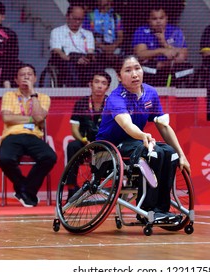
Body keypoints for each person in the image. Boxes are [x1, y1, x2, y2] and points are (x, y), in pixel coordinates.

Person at [96, 55, 191, 221]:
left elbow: (163, 126)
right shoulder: (115, 98)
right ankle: (147, 210)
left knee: (169, 153)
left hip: (136, 144)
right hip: (110, 148)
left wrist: (182, 155)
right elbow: (126, 125)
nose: (134, 74)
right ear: (119, 76)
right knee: (152, 153)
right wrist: (143, 135)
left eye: (137, 68)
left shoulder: (150, 93)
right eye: (128, 70)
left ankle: (162, 210)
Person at [0, 63, 57, 207]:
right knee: (5, 159)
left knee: (49, 157)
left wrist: (32, 93)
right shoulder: (9, 96)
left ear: (35, 78)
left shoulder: (43, 97)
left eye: (29, 74)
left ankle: (25, 190)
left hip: (33, 136)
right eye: (22, 75)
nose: (26, 77)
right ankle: (25, 189)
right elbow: (7, 118)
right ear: (16, 80)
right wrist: (30, 119)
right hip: (12, 135)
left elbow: (39, 118)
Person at [65, 71, 111, 199]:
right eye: (96, 82)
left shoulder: (112, 103)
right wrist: (85, 141)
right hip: (85, 142)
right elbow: (74, 130)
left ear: (107, 87)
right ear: (90, 84)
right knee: (72, 146)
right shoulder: (81, 103)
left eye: (103, 83)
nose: (99, 86)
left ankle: (111, 187)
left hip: (105, 144)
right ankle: (72, 189)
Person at [132, 5, 194, 87]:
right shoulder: (142, 31)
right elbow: (140, 55)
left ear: (166, 18)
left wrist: (164, 43)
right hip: (152, 70)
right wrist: (161, 51)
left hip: (171, 68)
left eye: (161, 18)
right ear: (149, 20)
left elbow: (183, 56)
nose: (158, 21)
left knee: (187, 67)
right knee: (142, 67)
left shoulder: (175, 31)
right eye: (154, 19)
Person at [50, 4, 95, 87]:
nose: (77, 22)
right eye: (75, 19)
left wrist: (85, 59)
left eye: (80, 19)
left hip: (84, 60)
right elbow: (57, 51)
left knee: (97, 67)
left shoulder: (88, 34)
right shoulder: (57, 32)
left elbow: (90, 52)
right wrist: (74, 59)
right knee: (69, 67)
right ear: (67, 16)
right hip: (67, 60)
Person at [82, 0, 124, 69]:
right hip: (97, 50)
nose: (108, 1)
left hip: (113, 50)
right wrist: (102, 46)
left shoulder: (116, 16)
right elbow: (86, 36)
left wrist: (114, 46)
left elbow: (120, 36)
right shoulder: (90, 16)